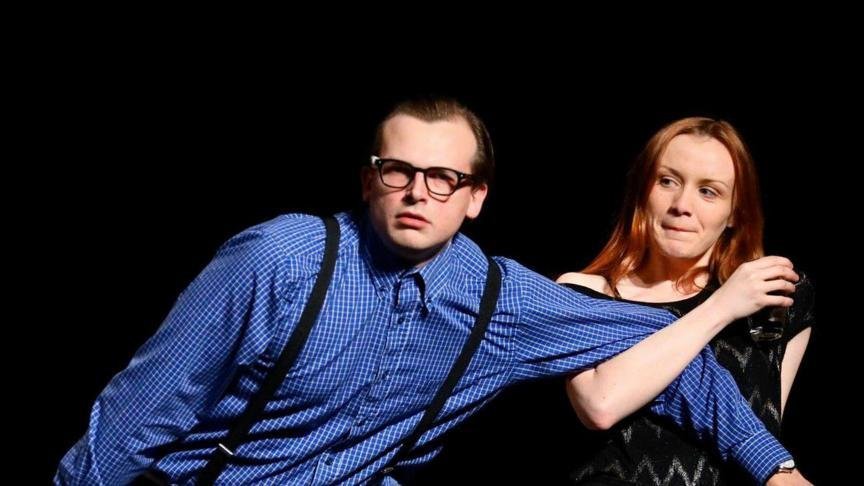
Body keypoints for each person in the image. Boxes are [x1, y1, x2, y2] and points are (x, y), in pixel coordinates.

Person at [57, 100, 801, 485]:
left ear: (475, 197)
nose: (418, 193)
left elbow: (661, 345)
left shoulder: (498, 299)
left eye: (444, 178)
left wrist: (775, 468)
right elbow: (137, 415)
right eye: (399, 171)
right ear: (369, 180)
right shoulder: (280, 259)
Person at [559, 117, 814, 485]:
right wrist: (722, 306)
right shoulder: (584, 292)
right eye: (667, 181)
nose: (682, 205)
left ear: (735, 212)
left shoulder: (773, 297)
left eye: (708, 191)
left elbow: (765, 427)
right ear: (641, 190)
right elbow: (600, 404)